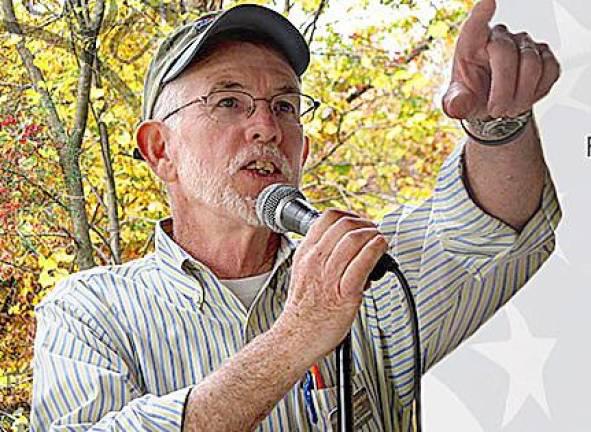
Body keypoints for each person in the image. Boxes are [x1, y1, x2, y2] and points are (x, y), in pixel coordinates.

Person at [30, 1, 562, 431]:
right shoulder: (88, 311)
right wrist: (297, 335)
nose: (266, 126)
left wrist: (498, 123)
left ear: (302, 151)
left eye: (285, 106)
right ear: (159, 150)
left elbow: (491, 227)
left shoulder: (362, 273)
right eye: (228, 102)